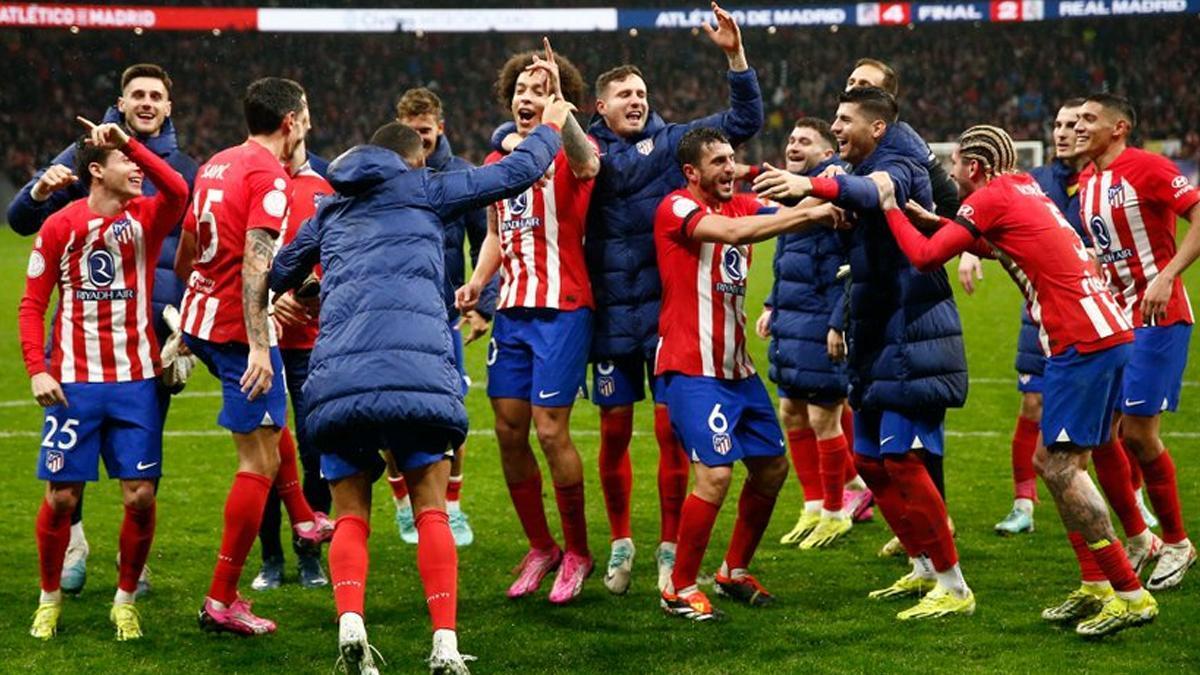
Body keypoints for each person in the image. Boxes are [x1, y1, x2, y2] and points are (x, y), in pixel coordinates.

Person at [271, 113, 568, 674]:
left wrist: (310, 286)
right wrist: (550, 127)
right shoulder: (428, 185)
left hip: (339, 384)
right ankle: (445, 643)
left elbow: (283, 267)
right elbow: (519, 172)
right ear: (414, 159)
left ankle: (351, 622)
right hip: (418, 377)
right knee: (431, 507)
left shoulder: (329, 204)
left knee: (351, 514)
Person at [493, 3, 764, 593]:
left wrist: (734, 56)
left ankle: (669, 546)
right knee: (614, 429)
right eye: (625, 95)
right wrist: (545, 109)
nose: (637, 102)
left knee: (672, 434)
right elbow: (518, 142)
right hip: (609, 313)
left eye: (642, 93)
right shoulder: (579, 146)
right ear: (600, 107)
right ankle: (620, 541)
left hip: (669, 314)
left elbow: (743, 120)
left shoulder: (672, 145)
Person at [871, 123, 1158, 638]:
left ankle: (1129, 594)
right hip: (1107, 330)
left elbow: (923, 257)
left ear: (974, 167)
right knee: (1053, 461)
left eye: (956, 162)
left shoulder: (991, 197)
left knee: (1064, 469)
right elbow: (1000, 245)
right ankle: (1096, 583)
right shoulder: (1023, 186)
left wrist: (891, 206)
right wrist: (936, 218)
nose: (951, 170)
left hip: (1080, 342)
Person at [753, 87, 973, 620]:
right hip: (878, 332)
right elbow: (848, 202)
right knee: (871, 461)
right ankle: (922, 566)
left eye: (844, 119)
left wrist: (809, 183)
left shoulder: (896, 161)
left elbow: (875, 191)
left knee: (901, 458)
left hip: (914, 332)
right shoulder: (869, 159)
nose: (836, 127)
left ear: (876, 127)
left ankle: (955, 584)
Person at [7, 63, 198, 595]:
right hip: (81, 332)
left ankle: (130, 559)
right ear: (122, 99)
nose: (146, 102)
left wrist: (188, 318)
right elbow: (22, 219)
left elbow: (194, 238)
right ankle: (73, 541)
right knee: (73, 460)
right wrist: (39, 190)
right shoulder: (83, 153)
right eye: (136, 93)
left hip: (153, 333)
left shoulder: (182, 166)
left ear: (168, 107)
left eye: (156, 95)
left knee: (142, 458)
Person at [656, 128, 841, 621]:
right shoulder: (675, 207)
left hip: (737, 370)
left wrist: (824, 196)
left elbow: (778, 217)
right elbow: (737, 235)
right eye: (718, 161)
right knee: (714, 474)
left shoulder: (739, 204)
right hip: (691, 369)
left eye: (732, 159)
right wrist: (812, 212)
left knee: (771, 468)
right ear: (692, 172)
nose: (729, 168)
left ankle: (732, 571)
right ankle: (677, 587)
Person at [457, 43, 600, 604]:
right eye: (521, 89)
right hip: (513, 310)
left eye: (540, 90)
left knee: (549, 429)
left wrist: (562, 117)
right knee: (510, 430)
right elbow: (496, 233)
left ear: (557, 100)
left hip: (564, 306)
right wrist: (477, 282)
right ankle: (542, 547)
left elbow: (589, 165)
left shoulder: (569, 152)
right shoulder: (498, 165)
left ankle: (579, 550)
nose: (527, 96)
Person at [174, 77, 310, 635]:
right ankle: (221, 600)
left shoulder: (216, 163)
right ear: (290, 123)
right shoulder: (268, 176)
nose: (307, 121)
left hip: (203, 319)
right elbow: (256, 266)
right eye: (305, 114)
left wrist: (194, 305)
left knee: (272, 429)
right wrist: (260, 345)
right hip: (236, 332)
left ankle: (304, 519)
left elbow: (186, 248)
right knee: (257, 463)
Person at [1076, 93, 1200, 590]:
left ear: (1119, 127)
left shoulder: (1146, 167)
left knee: (1138, 435)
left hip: (1158, 317)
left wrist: (1168, 274)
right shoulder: (1086, 179)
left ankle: (1176, 542)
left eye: (1090, 119)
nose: (1080, 126)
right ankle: (1138, 535)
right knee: (1102, 433)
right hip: (1113, 321)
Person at [840, 57, 959, 556]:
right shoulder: (866, 150)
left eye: (865, 87)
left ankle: (937, 531)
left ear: (886, 107)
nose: (853, 91)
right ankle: (925, 531)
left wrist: (947, 235)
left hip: (909, 301)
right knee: (890, 438)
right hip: (880, 300)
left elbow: (948, 205)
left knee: (912, 431)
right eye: (851, 84)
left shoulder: (903, 149)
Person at [752, 118, 871, 550]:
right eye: (791, 139)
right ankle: (813, 504)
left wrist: (840, 321)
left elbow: (852, 262)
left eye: (805, 141)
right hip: (793, 317)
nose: (793, 145)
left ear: (827, 154)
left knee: (824, 415)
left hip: (823, 321)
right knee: (790, 411)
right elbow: (789, 258)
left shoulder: (837, 191)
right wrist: (771, 304)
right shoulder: (796, 191)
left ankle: (836, 511)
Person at [385, 87, 495, 548]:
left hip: (441, 316)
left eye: (425, 131)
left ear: (440, 129)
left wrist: (481, 306)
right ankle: (404, 507)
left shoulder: (461, 177)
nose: (419, 139)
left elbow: (486, 240)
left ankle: (451, 507)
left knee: (453, 414)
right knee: (387, 412)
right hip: (390, 317)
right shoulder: (382, 175)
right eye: (410, 131)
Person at [250, 134, 335, 591]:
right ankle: (270, 558)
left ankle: (310, 555)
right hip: (262, 347)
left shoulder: (326, 185)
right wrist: (269, 301)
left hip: (312, 346)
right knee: (262, 457)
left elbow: (340, 258)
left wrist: (317, 292)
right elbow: (232, 261)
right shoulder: (253, 180)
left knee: (316, 453)